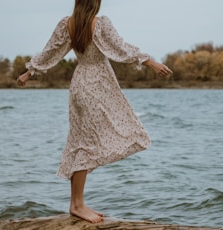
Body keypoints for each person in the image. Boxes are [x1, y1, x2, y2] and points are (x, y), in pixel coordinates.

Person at [17, 0, 173, 224]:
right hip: (96, 85)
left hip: (80, 84)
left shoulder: (68, 24)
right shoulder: (99, 24)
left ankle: (77, 203)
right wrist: (151, 63)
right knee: (88, 144)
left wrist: (28, 73)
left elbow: (49, 52)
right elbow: (122, 48)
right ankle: (77, 205)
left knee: (81, 141)